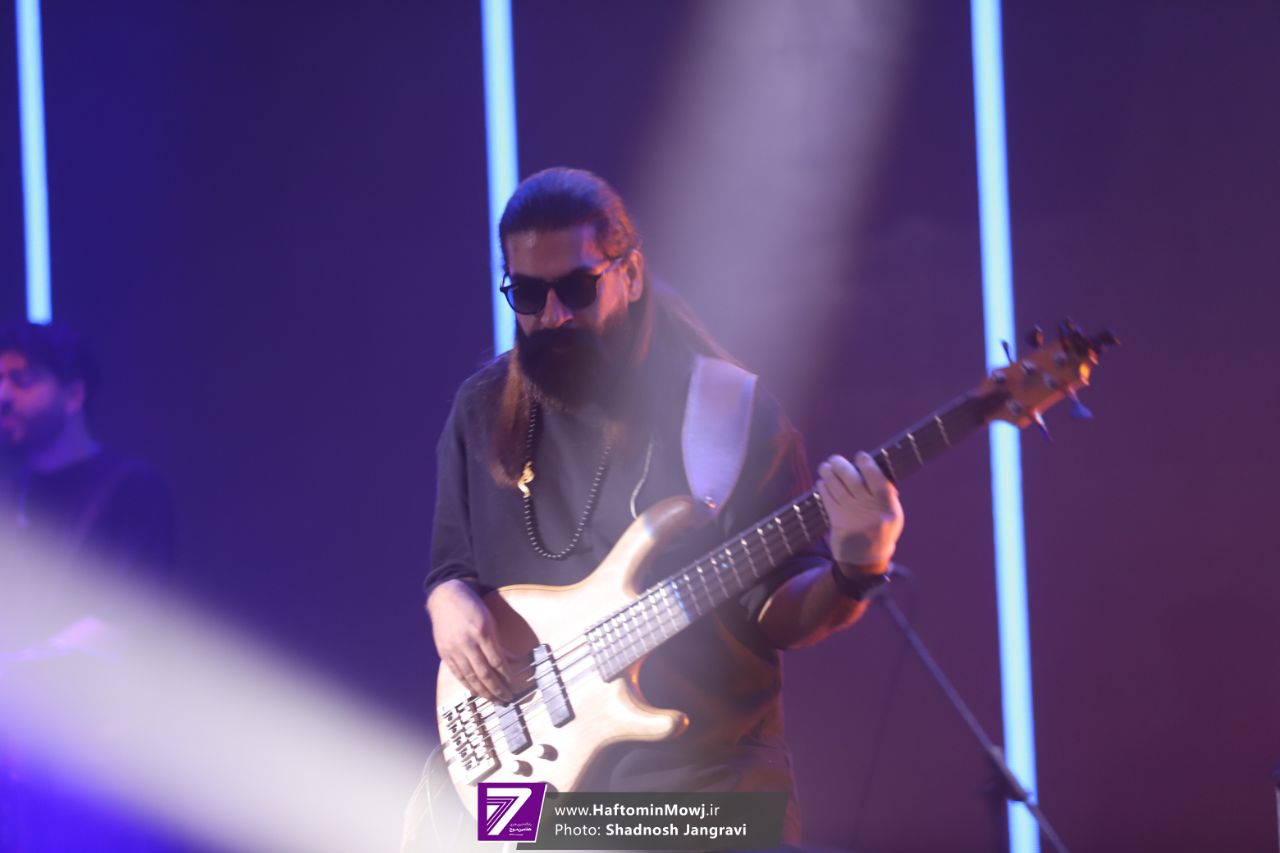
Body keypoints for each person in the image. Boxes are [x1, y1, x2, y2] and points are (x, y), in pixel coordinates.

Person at [421, 168, 903, 846]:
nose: (552, 315)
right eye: (527, 293)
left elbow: (779, 612)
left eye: (577, 289)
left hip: (700, 799)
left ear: (631, 273)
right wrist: (445, 599)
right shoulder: (480, 408)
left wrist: (856, 568)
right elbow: (453, 566)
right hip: (527, 792)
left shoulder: (725, 410)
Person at [0, 319, 177, 853]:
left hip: (98, 762)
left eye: (22, 380)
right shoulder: (12, 490)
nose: (4, 396)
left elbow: (122, 623)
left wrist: (20, 669)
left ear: (73, 394)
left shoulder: (128, 487)